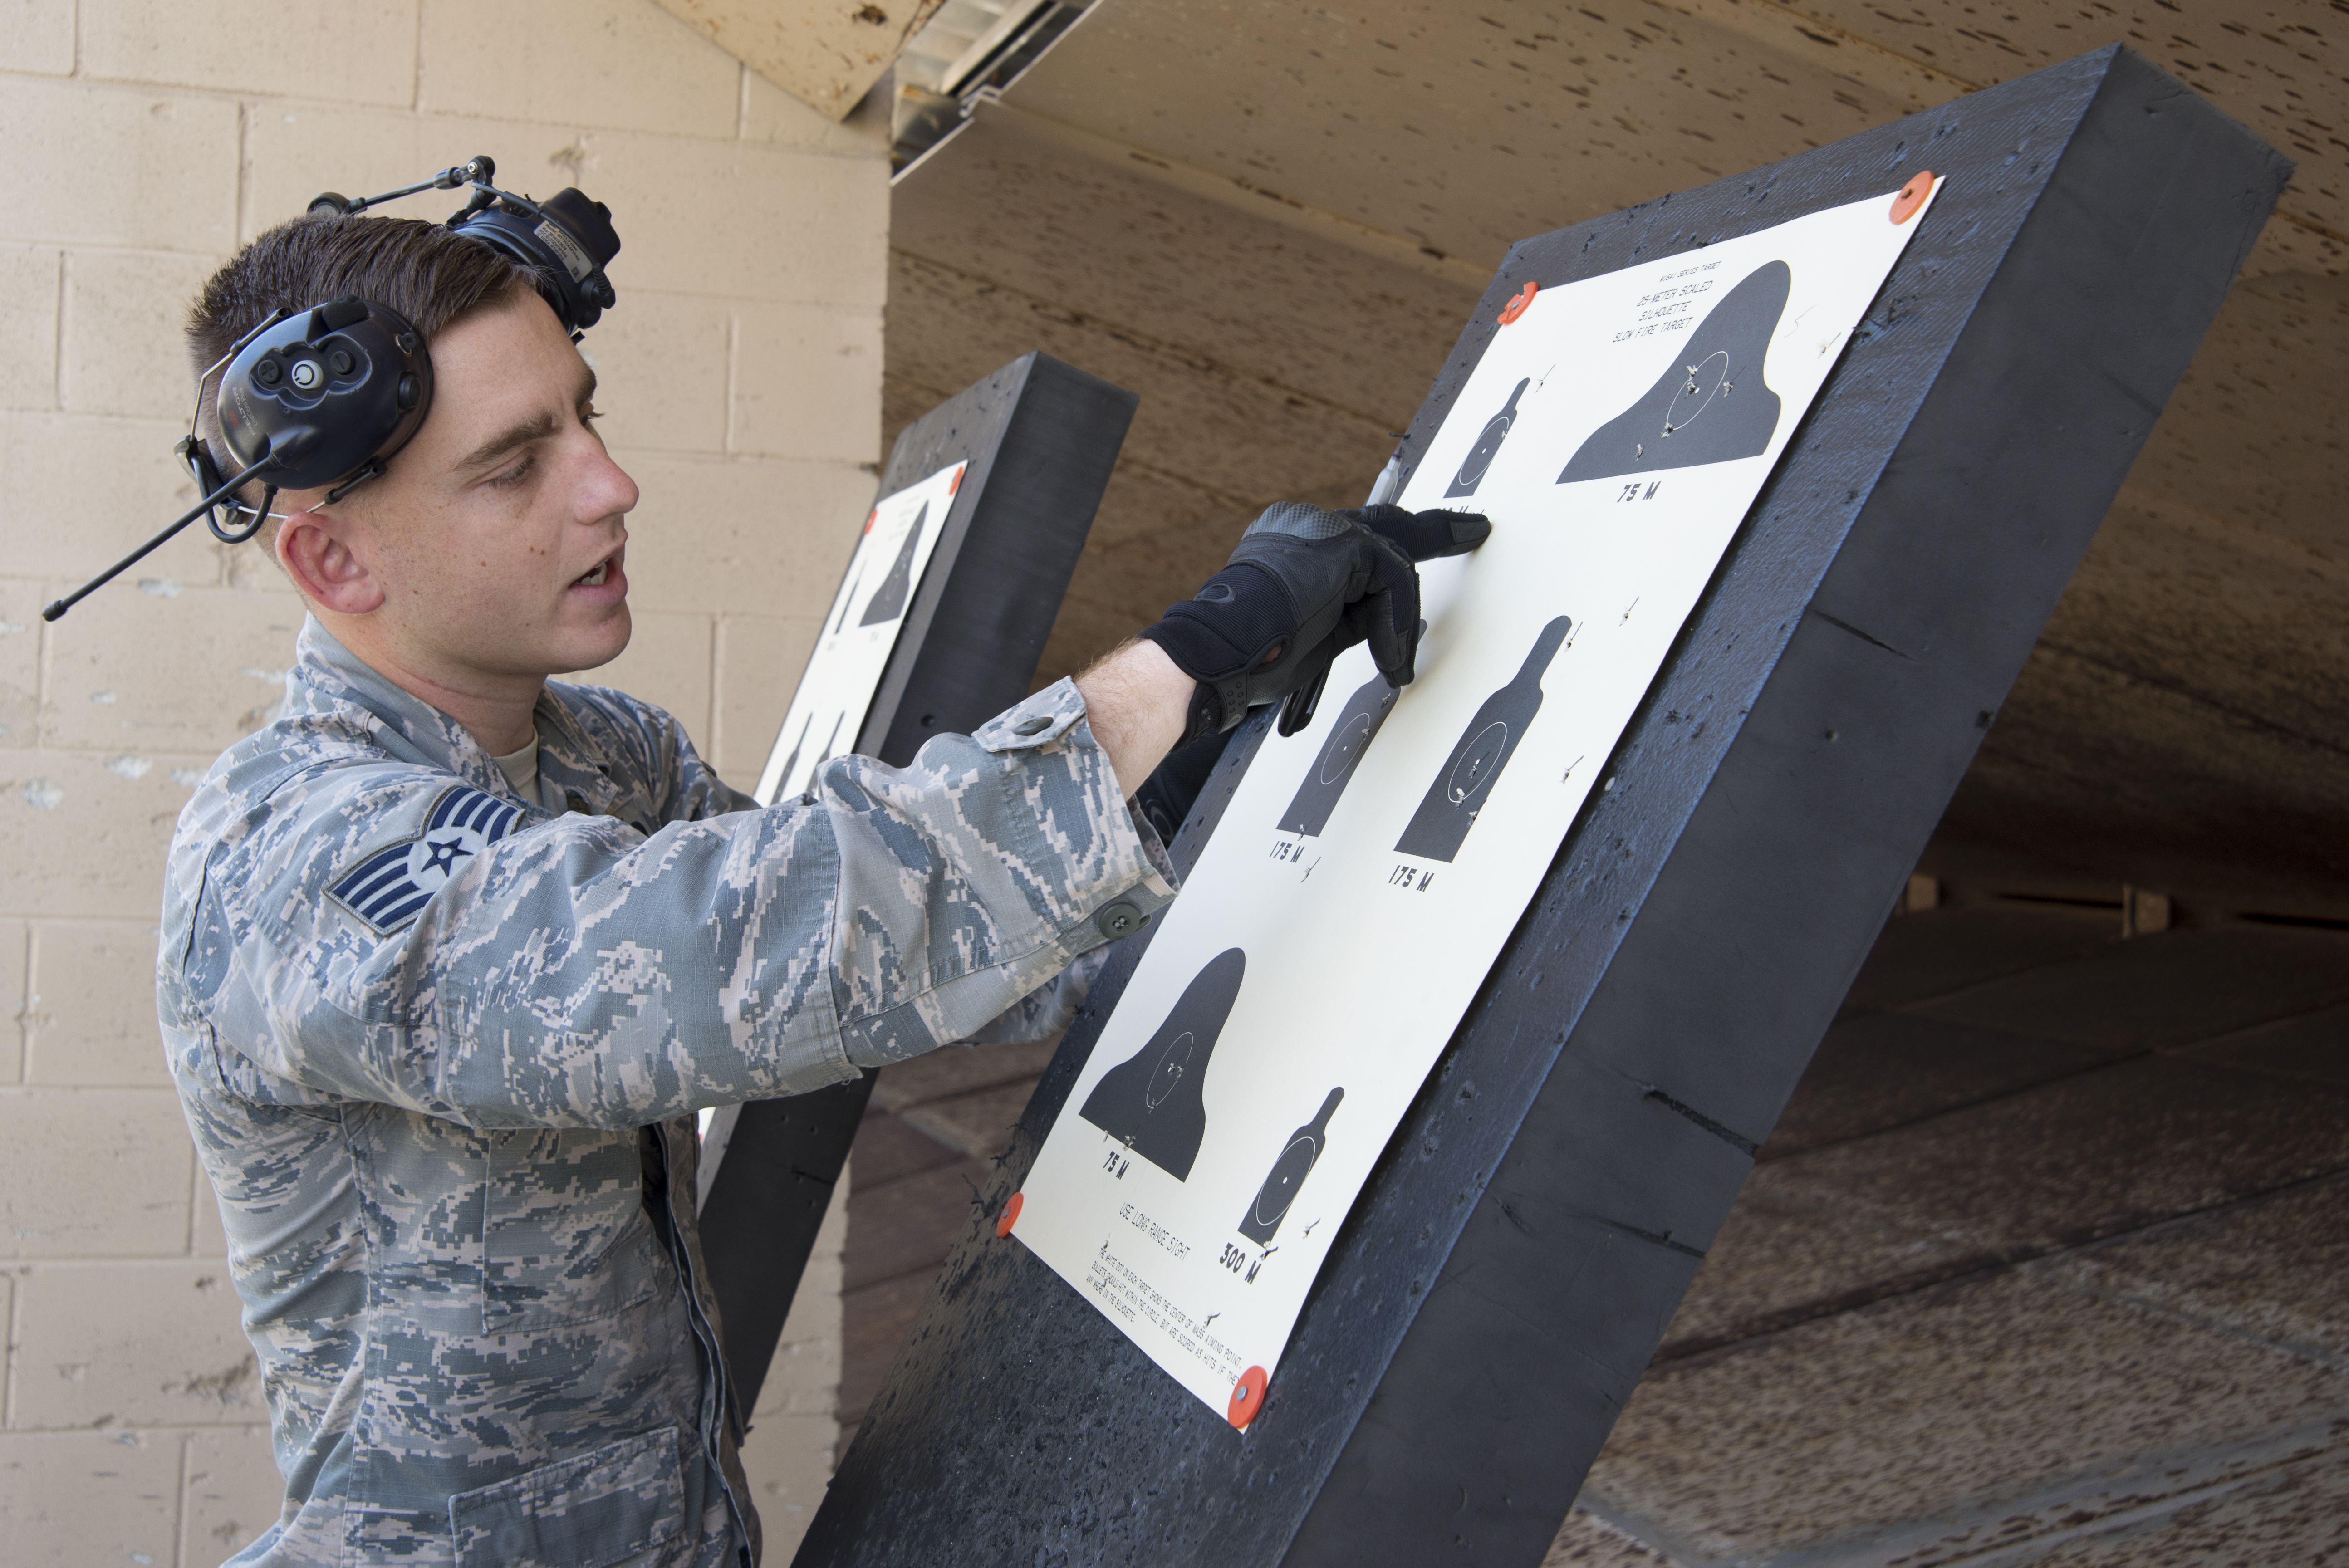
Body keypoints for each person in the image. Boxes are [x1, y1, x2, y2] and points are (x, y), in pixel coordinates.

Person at [158, 212, 1486, 1567]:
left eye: (582, 417)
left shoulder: (603, 754)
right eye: (513, 466)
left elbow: (914, 973)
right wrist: (1187, 663)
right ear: (334, 562)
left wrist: (1197, 797)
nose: (609, 485)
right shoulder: (293, 856)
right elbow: (759, 947)